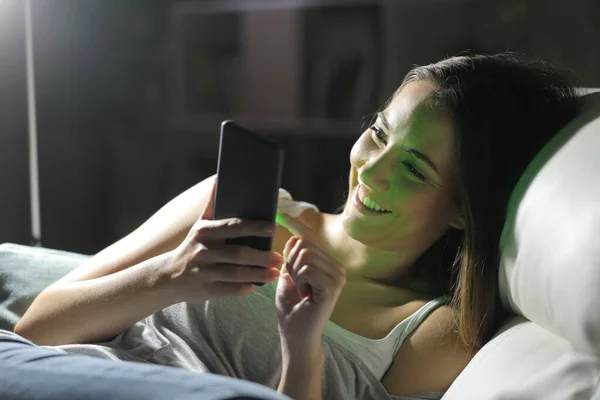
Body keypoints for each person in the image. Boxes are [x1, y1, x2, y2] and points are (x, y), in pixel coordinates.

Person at [13, 53, 582, 400]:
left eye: (413, 168)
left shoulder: (432, 335)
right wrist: (171, 275)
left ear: (463, 208)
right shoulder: (226, 203)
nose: (370, 170)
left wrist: (302, 348)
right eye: (380, 133)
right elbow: (35, 328)